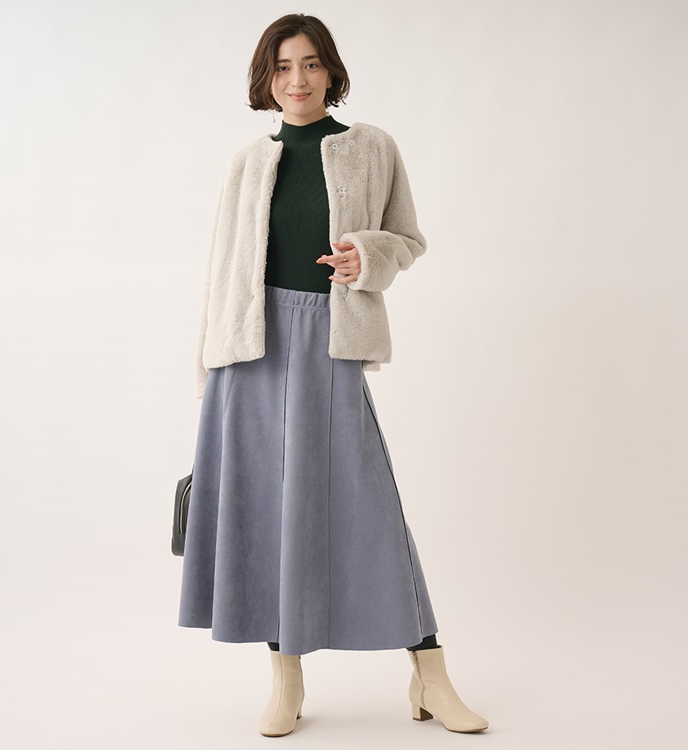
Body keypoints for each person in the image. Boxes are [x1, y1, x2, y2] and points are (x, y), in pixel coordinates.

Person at [177, 12, 489, 738]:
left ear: (331, 71)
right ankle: (285, 680)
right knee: (266, 511)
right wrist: (207, 372)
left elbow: (407, 238)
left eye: (311, 64)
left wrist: (365, 258)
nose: (298, 79)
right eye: (283, 66)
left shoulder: (371, 148)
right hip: (248, 349)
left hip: (330, 338)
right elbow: (221, 273)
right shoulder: (247, 163)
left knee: (368, 505)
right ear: (266, 78)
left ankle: (430, 672)